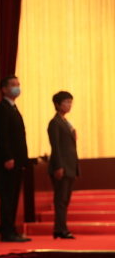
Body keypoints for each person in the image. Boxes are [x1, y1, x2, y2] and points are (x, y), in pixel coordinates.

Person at [0, 75, 31, 242]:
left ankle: (11, 229)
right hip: (8, 161)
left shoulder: (13, 108)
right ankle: (6, 231)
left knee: (14, 196)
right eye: (13, 85)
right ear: (4, 89)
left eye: (18, 84)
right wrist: (8, 157)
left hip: (17, 160)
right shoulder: (1, 108)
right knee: (7, 196)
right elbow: (2, 135)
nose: (17, 87)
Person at [47, 91, 79, 239]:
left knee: (65, 200)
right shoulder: (55, 123)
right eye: (66, 102)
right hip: (61, 166)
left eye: (70, 102)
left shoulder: (66, 122)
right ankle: (60, 229)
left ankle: (61, 228)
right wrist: (59, 166)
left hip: (70, 166)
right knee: (60, 200)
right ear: (57, 104)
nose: (69, 105)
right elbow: (56, 146)